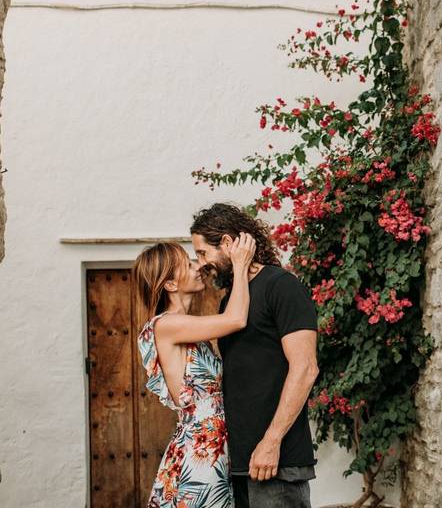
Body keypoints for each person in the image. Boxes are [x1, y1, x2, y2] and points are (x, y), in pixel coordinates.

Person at [190, 203, 319, 508]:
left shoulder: (281, 286)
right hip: (240, 463)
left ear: (227, 244)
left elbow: (306, 368)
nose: (201, 264)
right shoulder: (232, 301)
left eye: (202, 253)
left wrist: (271, 441)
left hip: (277, 461)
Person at [132, 234, 256, 508]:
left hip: (214, 447)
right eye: (187, 265)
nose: (197, 267)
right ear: (170, 284)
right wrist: (240, 263)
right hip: (200, 452)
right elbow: (236, 319)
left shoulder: (189, 328)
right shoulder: (165, 325)